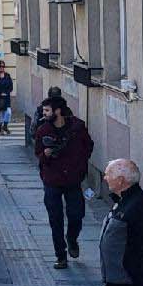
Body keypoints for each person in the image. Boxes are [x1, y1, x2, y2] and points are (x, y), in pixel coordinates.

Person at [34, 95, 94, 270]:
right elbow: (38, 153)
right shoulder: (43, 130)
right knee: (55, 218)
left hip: (73, 179)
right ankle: (60, 255)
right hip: (52, 179)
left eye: (47, 110)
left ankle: (72, 239)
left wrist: (80, 163)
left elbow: (88, 146)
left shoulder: (77, 127)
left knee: (77, 214)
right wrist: (44, 154)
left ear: (57, 111)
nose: (44, 114)